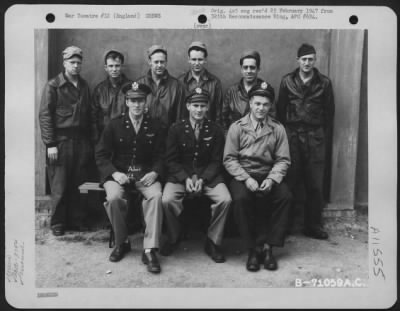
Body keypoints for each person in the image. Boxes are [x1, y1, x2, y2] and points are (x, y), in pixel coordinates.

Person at [95, 82, 166, 274]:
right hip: (119, 174)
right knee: (114, 198)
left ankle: (150, 249)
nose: (137, 105)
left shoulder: (156, 125)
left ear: (146, 102)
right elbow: (101, 154)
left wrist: (155, 172)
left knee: (156, 196)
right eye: (133, 100)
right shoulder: (114, 124)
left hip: (145, 175)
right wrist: (115, 173)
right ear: (126, 102)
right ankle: (122, 242)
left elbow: (162, 155)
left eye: (140, 100)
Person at [224, 82, 292, 272]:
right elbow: (229, 159)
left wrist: (271, 179)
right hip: (244, 174)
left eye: (265, 104)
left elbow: (283, 159)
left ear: (270, 106)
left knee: (284, 196)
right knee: (240, 198)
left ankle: (269, 248)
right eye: (257, 104)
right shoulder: (237, 127)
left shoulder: (277, 128)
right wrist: (246, 179)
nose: (261, 108)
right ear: (250, 104)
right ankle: (252, 249)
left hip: (268, 173)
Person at [161, 88, 232, 263]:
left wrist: (203, 179)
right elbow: (171, 160)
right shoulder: (176, 128)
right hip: (181, 175)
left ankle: (213, 241)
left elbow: (217, 161)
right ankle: (174, 236)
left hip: (208, 177)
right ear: (188, 106)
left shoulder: (215, 129)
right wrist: (185, 178)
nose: (199, 110)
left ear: (208, 107)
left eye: (202, 105)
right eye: (195, 105)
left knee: (225, 199)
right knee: (167, 200)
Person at [276, 43, 335, 240]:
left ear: (315, 60)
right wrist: (287, 134)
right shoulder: (287, 81)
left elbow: (329, 114)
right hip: (292, 135)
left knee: (315, 184)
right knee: (290, 181)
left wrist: (318, 135)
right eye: (304, 59)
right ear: (298, 61)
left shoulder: (324, 83)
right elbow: (281, 110)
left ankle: (313, 225)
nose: (307, 63)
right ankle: (284, 225)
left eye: (311, 59)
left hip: (315, 137)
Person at [39, 46, 95, 236]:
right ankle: (58, 223)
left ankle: (78, 220)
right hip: (61, 142)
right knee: (60, 185)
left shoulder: (84, 85)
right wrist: (50, 144)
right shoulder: (53, 85)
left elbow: (90, 115)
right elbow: (45, 116)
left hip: (82, 141)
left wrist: (91, 143)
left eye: (79, 62)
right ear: (64, 63)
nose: (76, 66)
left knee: (80, 184)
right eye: (72, 62)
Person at [222, 50, 273, 131]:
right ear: (241, 69)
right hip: (236, 138)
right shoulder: (231, 91)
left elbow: (273, 119)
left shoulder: (266, 91)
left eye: (252, 68)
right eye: (245, 67)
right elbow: (223, 119)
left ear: (258, 69)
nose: (249, 71)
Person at [137, 45, 185, 129]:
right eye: (156, 62)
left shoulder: (176, 86)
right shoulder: (140, 84)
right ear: (150, 62)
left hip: (168, 135)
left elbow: (180, 116)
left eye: (162, 62)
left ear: (166, 62)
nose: (159, 65)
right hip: (144, 135)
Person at [178, 41, 223, 125]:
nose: (197, 63)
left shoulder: (215, 82)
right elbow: (178, 110)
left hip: (209, 129)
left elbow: (218, 111)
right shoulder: (180, 81)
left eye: (200, 60)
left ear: (205, 59)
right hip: (186, 130)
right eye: (194, 59)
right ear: (189, 60)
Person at [92, 49, 131, 141]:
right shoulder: (99, 89)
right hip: (104, 136)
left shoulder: (131, 87)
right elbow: (93, 116)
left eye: (117, 66)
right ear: (106, 67)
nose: (114, 69)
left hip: (125, 136)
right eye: (111, 66)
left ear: (122, 66)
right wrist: (96, 139)